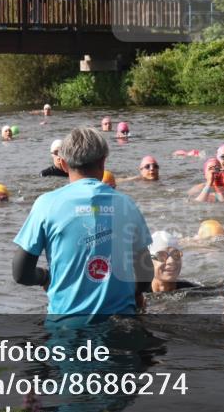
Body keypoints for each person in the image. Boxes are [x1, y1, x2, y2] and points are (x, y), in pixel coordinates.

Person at [12, 127, 154, 315]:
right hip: (121, 322)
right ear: (103, 162)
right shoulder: (126, 204)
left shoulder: (46, 204)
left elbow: (21, 273)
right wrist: (136, 293)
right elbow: (146, 273)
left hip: (66, 324)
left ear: (62, 164)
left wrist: (45, 277)